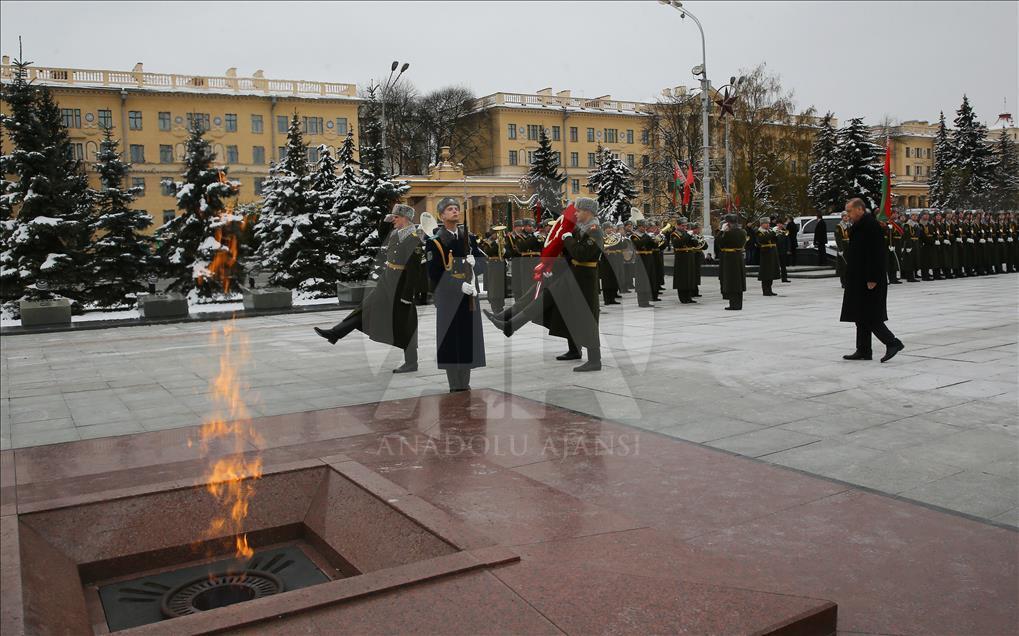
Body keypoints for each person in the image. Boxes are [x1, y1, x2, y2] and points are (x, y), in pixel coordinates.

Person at [486, 198, 604, 372]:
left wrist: (568, 239)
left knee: (586, 317)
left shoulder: (594, 230)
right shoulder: (582, 229)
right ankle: (510, 323)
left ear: (588, 211)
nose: (576, 213)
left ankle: (595, 360)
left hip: (585, 279)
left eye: (578, 211)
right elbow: (571, 255)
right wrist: (553, 264)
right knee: (552, 303)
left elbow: (582, 254)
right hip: (572, 275)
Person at [314, 203, 422, 373]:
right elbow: (381, 233)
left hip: (401, 285)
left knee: (404, 323)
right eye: (393, 217)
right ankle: (335, 333)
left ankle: (411, 362)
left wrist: (407, 295)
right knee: (364, 308)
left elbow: (415, 270)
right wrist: (386, 219)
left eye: (396, 217)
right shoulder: (396, 233)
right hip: (387, 280)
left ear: (406, 218)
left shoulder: (413, 238)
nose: (393, 220)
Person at [425, 197, 487, 392]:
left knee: (468, 337)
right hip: (449, 297)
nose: (455, 212)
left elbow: (482, 264)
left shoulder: (468, 238)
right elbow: (434, 273)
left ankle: (465, 381)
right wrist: (458, 285)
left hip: (469, 296)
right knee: (451, 339)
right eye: (450, 209)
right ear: (441, 215)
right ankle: (454, 384)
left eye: (456, 209)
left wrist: (476, 263)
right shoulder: (434, 242)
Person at [840, 198, 904, 363]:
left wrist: (872, 278)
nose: (848, 214)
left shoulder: (871, 226)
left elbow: (876, 255)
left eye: (849, 211)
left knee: (870, 315)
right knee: (860, 315)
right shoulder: (859, 226)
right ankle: (863, 350)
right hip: (858, 277)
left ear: (860, 209)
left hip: (870, 279)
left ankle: (892, 343)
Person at [716, 213, 748, 310]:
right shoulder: (743, 232)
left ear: (728, 223)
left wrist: (722, 231)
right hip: (738, 257)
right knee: (738, 281)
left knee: (732, 281)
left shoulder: (728, 233)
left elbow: (719, 242)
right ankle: (738, 303)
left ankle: (734, 304)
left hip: (730, 258)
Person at [670, 216, 699, 303]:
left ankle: (689, 297)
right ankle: (683, 297)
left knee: (689, 277)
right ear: (678, 226)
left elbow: (694, 244)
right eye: (682, 226)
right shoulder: (675, 234)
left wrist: (694, 237)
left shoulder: (686, 233)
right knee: (682, 278)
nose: (684, 227)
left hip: (689, 257)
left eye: (685, 226)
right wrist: (688, 235)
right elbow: (678, 243)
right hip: (681, 258)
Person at [755, 217, 781, 296]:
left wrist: (777, 234)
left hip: (772, 252)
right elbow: (764, 239)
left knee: (771, 272)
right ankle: (765, 290)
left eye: (768, 223)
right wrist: (773, 232)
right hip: (765, 253)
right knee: (766, 273)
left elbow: (775, 240)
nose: (768, 225)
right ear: (762, 224)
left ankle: (770, 289)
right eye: (766, 223)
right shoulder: (758, 232)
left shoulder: (770, 231)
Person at [599, 222, 624, 305]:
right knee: (606, 280)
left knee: (613, 278)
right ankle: (607, 299)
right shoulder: (601, 237)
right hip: (605, 260)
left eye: (611, 228)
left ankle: (612, 298)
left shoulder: (615, 237)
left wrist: (621, 238)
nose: (610, 229)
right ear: (604, 229)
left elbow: (621, 246)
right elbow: (599, 247)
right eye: (608, 228)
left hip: (614, 259)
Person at [775, 218, 791, 283]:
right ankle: (775, 277)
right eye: (778, 224)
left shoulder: (785, 231)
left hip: (783, 250)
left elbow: (788, 241)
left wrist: (788, 249)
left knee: (783, 265)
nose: (780, 225)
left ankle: (784, 278)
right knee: (775, 265)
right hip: (776, 250)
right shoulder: (774, 231)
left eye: (781, 224)